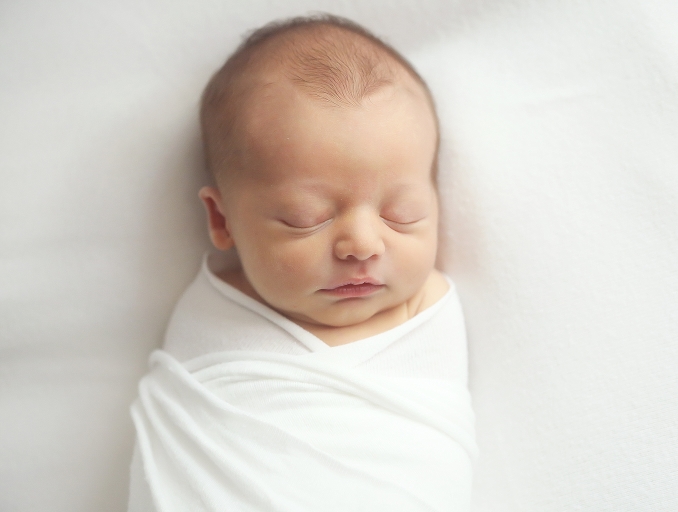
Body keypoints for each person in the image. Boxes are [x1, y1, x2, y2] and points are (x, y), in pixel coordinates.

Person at [129, 14, 477, 512]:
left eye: (402, 215)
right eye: (305, 218)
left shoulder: (430, 314)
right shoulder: (212, 323)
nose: (361, 244)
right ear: (222, 218)